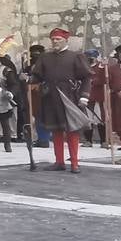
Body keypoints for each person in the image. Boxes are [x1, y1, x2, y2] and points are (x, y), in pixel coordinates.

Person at [29, 28, 92, 172]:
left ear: (65, 40)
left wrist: (84, 96)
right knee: (55, 130)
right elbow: (37, 77)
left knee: (72, 130)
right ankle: (59, 162)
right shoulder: (45, 57)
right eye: (53, 39)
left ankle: (75, 163)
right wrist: (28, 79)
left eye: (58, 39)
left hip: (70, 97)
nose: (55, 42)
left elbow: (87, 77)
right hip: (50, 96)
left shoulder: (76, 57)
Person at [23, 43, 49, 145]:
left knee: (42, 116)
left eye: (37, 54)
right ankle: (39, 137)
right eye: (33, 54)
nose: (35, 56)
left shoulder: (46, 66)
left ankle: (44, 139)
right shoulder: (29, 66)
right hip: (32, 94)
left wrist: (38, 85)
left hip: (43, 93)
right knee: (35, 115)